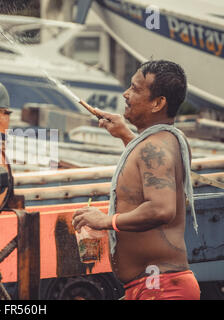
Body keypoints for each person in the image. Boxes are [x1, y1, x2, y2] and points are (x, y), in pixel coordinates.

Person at [72, 60, 201, 300]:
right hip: (152, 287)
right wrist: (125, 135)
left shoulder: (155, 147)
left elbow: (161, 209)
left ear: (158, 103)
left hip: (163, 289)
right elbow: (149, 164)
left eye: (135, 89)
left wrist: (107, 220)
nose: (126, 94)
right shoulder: (163, 141)